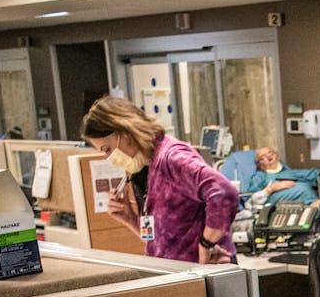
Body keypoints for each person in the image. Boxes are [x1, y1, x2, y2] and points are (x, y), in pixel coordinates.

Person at [81, 96, 239, 264]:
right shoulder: (144, 168)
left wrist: (206, 243)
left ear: (126, 133)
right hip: (178, 272)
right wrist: (130, 219)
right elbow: (160, 241)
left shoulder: (172, 158)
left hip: (208, 269)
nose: (107, 158)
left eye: (107, 149)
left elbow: (224, 193)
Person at [243, 146, 320, 207]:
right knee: (303, 190)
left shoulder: (288, 172)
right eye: (262, 157)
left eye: (270, 153)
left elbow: (310, 174)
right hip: (271, 203)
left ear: (277, 156)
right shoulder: (260, 176)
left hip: (301, 204)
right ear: (260, 165)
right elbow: (250, 202)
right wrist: (270, 189)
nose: (268, 156)